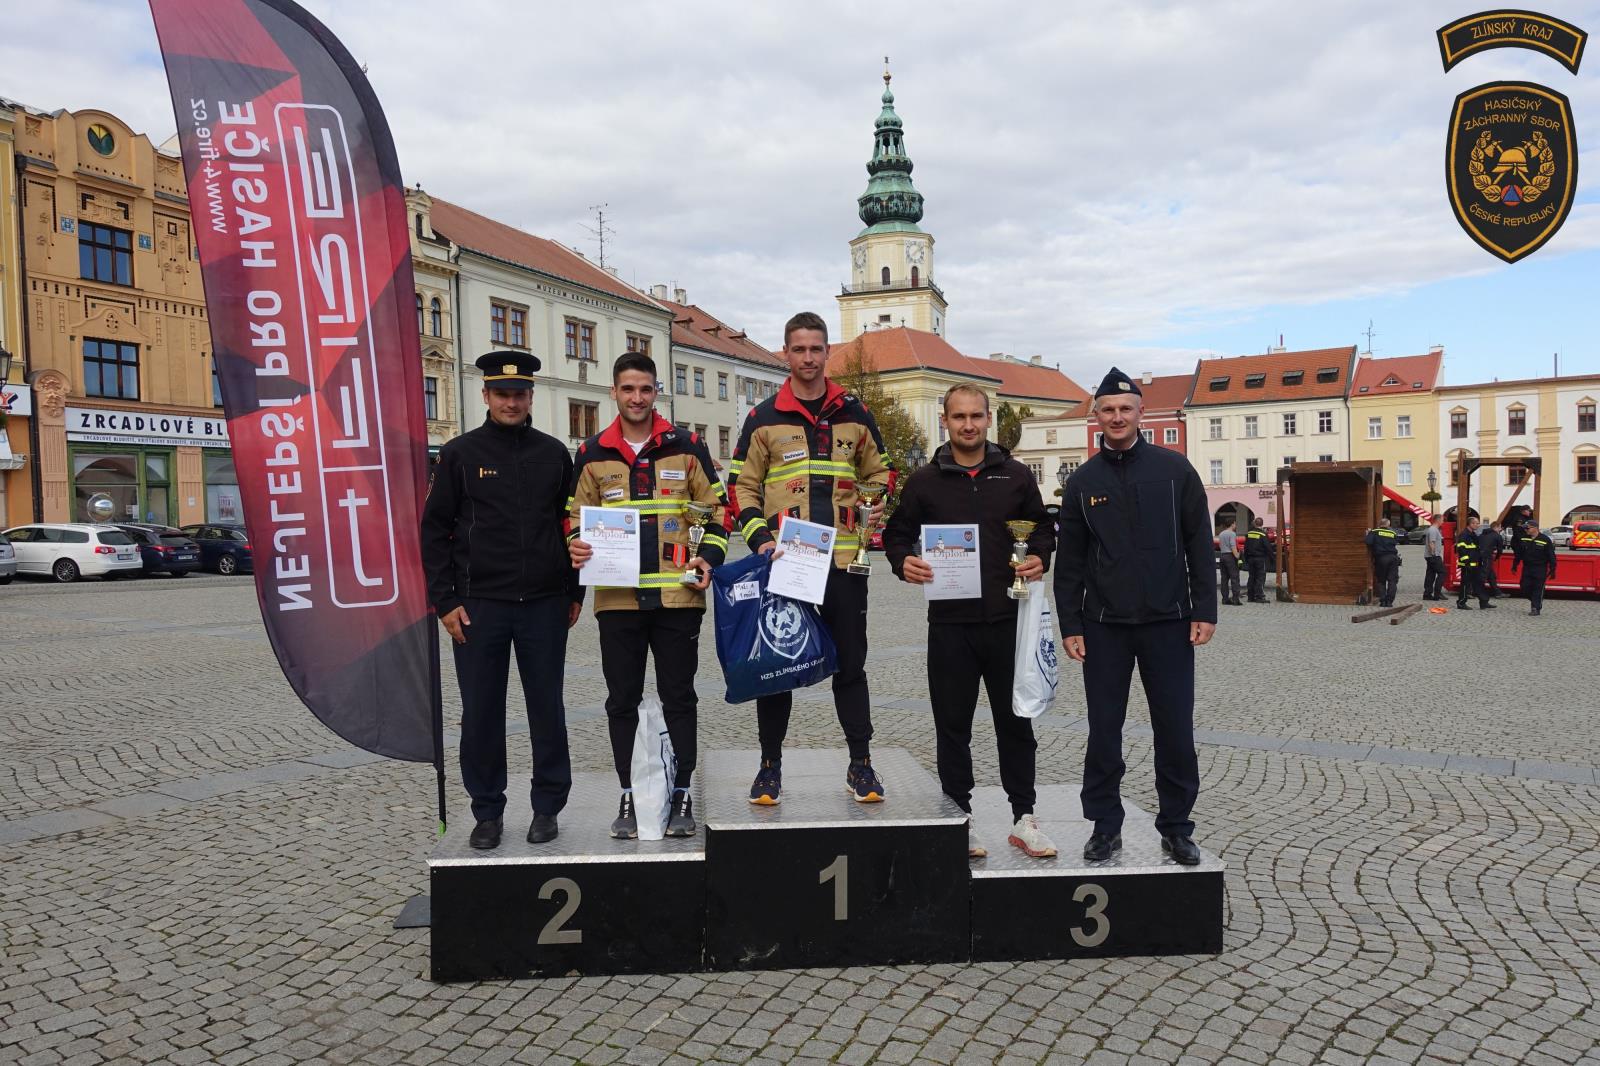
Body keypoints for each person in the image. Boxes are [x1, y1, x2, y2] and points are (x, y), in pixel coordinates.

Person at [882, 384, 1057, 860]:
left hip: (1007, 621)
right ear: (945, 420)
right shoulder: (924, 481)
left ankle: (1024, 818)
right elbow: (896, 534)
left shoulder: (1016, 475)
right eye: (958, 417)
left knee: (1016, 724)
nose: (968, 425)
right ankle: (959, 816)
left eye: (976, 416)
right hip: (950, 626)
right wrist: (902, 562)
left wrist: (1040, 556)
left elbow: (1042, 527)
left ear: (988, 418)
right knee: (952, 725)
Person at [1054, 368, 1217, 867]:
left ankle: (1177, 827)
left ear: (1140, 413)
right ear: (1097, 416)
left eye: (1126, 408)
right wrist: (1071, 624)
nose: (1117, 416)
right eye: (1108, 409)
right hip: (1104, 626)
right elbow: (1070, 561)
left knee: (1176, 731)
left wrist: (1204, 609)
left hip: (1169, 623)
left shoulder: (1175, 470)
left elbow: (1199, 543)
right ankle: (1105, 826)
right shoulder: (1083, 482)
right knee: (1104, 731)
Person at [730, 311, 892, 804]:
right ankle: (769, 767)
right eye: (798, 349)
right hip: (787, 563)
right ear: (786, 353)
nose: (808, 358)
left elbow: (881, 472)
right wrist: (760, 540)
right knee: (776, 666)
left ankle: (861, 765)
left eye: (816, 349)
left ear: (826, 352)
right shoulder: (763, 418)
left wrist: (874, 506)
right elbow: (741, 487)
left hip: (843, 564)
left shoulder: (855, 412)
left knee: (851, 667)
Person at [421, 352, 581, 850]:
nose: (511, 402)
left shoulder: (554, 454)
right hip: (478, 606)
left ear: (531, 396)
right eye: (501, 394)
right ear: (486, 395)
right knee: (481, 713)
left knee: (547, 709)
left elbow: (572, 526)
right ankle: (487, 810)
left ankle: (547, 806)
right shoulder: (459, 454)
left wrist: (574, 591)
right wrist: (444, 600)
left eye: (519, 394)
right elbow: (434, 531)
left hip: (544, 603)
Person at [568, 352, 728, 839]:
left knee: (679, 697)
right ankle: (630, 792)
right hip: (617, 602)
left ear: (656, 391)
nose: (636, 398)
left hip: (678, 600)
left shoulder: (688, 446)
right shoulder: (592, 452)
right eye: (627, 389)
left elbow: (718, 513)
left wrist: (708, 559)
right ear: (613, 392)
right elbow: (573, 516)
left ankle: (681, 791)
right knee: (621, 700)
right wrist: (575, 543)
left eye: (645, 389)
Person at [1511, 520, 1557, 616]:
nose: (1526, 530)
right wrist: (1515, 565)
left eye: (1527, 528)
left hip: (1540, 568)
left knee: (1538, 588)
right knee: (1524, 587)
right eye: (1525, 528)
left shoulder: (1545, 539)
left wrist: (1553, 569)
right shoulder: (1524, 538)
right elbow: (1519, 553)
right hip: (1527, 567)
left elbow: (1551, 555)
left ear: (1535, 528)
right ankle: (1536, 600)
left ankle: (1535, 608)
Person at [1455, 516, 1494, 610]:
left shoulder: (1473, 534)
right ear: (1471, 524)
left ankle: (1484, 602)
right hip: (1467, 565)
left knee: (1479, 583)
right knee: (1465, 584)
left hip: (1475, 564)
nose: (1478, 525)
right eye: (1476, 523)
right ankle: (1461, 603)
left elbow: (1475, 549)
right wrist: (1466, 562)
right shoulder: (1464, 535)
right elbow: (1461, 549)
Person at [1364, 517, 1401, 608]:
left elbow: (1368, 542)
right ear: (1388, 525)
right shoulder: (1392, 533)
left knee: (1381, 581)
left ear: (1379, 524)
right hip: (1393, 558)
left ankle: (1383, 601)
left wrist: (1368, 534)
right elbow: (1396, 542)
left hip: (1381, 558)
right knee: (1392, 581)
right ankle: (1389, 602)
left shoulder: (1374, 532)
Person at [1243, 516, 1271, 603]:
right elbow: (1267, 547)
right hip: (1260, 559)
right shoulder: (1263, 534)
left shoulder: (1248, 534)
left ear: (1255, 524)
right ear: (1262, 524)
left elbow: (1245, 547)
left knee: (1251, 577)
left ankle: (1250, 597)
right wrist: (1272, 558)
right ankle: (1259, 596)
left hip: (1251, 559)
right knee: (1260, 577)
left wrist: (1246, 558)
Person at [1217, 519, 1242, 606]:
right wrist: (1237, 555)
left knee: (1224, 579)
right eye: (1235, 523)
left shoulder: (1221, 534)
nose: (1235, 525)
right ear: (1232, 524)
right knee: (1235, 578)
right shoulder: (1232, 534)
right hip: (1230, 557)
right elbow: (1233, 545)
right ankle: (1236, 599)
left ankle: (1225, 599)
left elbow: (1220, 545)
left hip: (1223, 556)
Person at [1421, 520, 1446, 600]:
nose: (1443, 522)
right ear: (1438, 520)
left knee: (1430, 574)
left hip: (1430, 556)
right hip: (1434, 556)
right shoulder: (1433, 530)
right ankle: (1437, 594)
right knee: (1442, 573)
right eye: (1442, 520)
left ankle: (1427, 594)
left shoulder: (1433, 529)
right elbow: (1432, 542)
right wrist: (1433, 554)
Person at [1481, 521, 1505, 597]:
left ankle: (1497, 593)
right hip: (1487, 556)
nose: (1500, 529)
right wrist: (1497, 557)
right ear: (1496, 527)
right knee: (1484, 575)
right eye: (1500, 527)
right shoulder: (1497, 536)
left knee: (1491, 575)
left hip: (1480, 556)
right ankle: (1474, 591)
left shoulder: (1483, 534)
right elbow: (1500, 550)